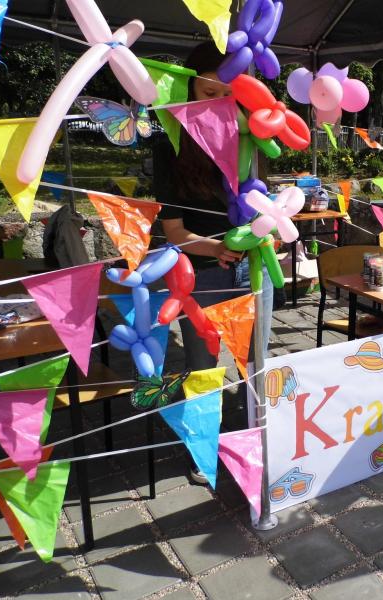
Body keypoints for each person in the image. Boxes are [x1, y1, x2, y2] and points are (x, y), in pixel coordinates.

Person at [153, 41, 274, 483]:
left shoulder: (248, 135)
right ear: (190, 88)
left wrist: (267, 229)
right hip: (199, 274)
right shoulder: (170, 143)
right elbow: (175, 234)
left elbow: (259, 201)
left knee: (254, 360)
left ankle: (252, 437)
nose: (222, 104)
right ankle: (203, 450)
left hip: (252, 268)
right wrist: (219, 249)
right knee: (204, 366)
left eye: (231, 94)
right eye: (210, 93)